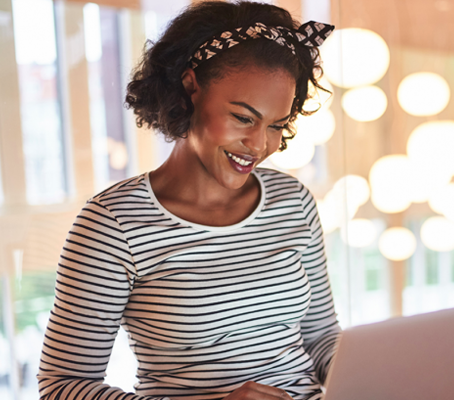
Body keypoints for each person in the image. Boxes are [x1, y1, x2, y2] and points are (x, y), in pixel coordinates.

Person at [36, 2, 340, 399]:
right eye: (244, 118)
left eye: (276, 125)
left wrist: (372, 376)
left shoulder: (293, 201)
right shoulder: (112, 225)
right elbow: (62, 385)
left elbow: (320, 337)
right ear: (191, 86)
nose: (260, 145)